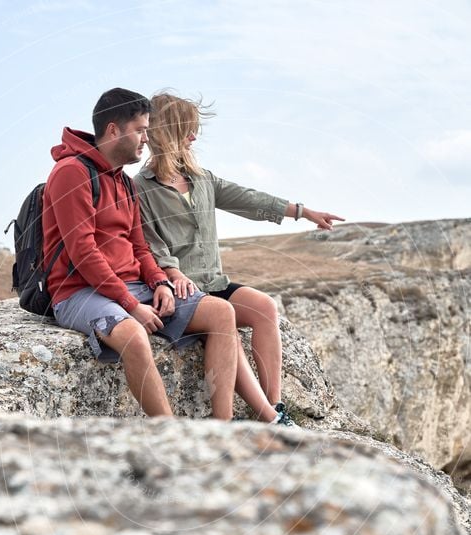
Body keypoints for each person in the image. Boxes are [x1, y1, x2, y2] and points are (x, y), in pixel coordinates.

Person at [134, 92, 345, 423]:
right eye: (189, 129)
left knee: (265, 308)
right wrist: (173, 273)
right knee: (226, 324)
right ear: (171, 131)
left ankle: (275, 408)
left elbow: (248, 199)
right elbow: (148, 241)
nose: (194, 136)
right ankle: (251, 420)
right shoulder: (140, 187)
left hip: (215, 281)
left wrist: (303, 212)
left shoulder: (203, 179)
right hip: (185, 292)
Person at [42, 87, 240, 420]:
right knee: (134, 336)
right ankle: (170, 436)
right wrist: (131, 306)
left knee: (221, 313)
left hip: (131, 286)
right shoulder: (71, 173)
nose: (147, 138)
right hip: (78, 292)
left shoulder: (125, 183)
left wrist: (160, 282)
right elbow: (83, 252)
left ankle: (221, 431)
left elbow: (140, 247)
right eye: (140, 129)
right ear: (113, 130)